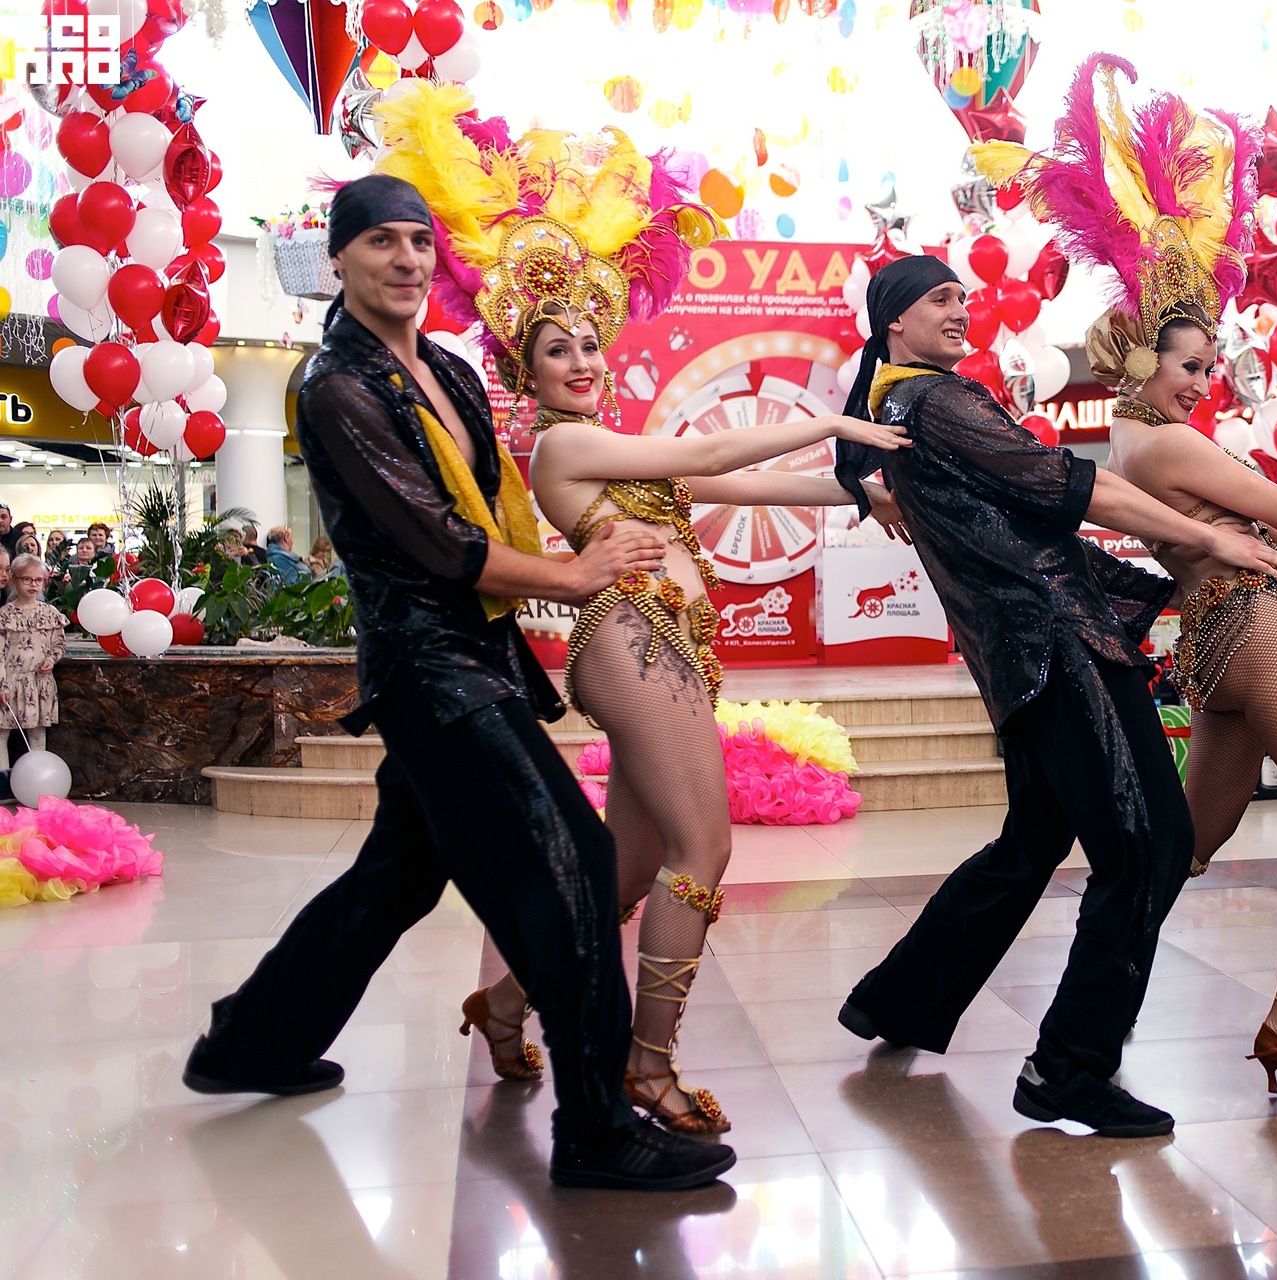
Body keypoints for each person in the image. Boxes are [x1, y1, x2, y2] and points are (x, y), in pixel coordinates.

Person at [180, 172, 734, 1193]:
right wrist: (576, 576)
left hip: (483, 655)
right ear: (337, 260)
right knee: (576, 860)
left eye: (418, 241)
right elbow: (439, 544)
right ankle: (597, 1125)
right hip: (431, 671)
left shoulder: (445, 369)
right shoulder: (336, 387)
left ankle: (249, 1042)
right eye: (380, 241)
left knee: (395, 876)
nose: (405, 260)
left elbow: (499, 508)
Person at [376, 84, 909, 1134]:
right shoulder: (565, 444)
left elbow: (734, 481)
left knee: (619, 867)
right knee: (702, 853)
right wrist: (837, 421)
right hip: (634, 642)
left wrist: (856, 490)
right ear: (526, 371)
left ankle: (506, 1000)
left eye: (589, 344)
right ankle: (648, 1064)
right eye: (557, 351)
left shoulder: (618, 448)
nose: (582, 362)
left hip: (669, 646)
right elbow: (714, 449)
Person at [980, 55, 1277, 1104]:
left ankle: (1077, 1035)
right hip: (1256, 630)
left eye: (1208, 366)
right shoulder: (1162, 443)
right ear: (1141, 363)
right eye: (1189, 366)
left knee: (1182, 849)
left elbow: (1274, 528)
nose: (1204, 382)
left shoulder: (1140, 442)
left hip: (1219, 645)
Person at [832, 247, 1277, 1136]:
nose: (961, 311)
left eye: (963, 297)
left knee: (1035, 839)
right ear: (894, 318)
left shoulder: (898, 406)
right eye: (940, 299)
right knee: (1150, 844)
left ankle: (900, 997)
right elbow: (1073, 488)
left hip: (1025, 656)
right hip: (1059, 648)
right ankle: (1068, 1068)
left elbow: (1018, 513)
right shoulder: (936, 400)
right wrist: (1218, 541)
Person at [0, 555, 62, 764]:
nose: (33, 584)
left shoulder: (50, 613)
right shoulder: (4, 615)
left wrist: (51, 659)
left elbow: (58, 643)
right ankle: (3, 779)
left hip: (38, 683)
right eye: (27, 579)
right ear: (13, 580)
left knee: (37, 733)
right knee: (2, 733)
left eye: (38, 580)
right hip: (10, 681)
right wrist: (2, 685)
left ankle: (37, 777)